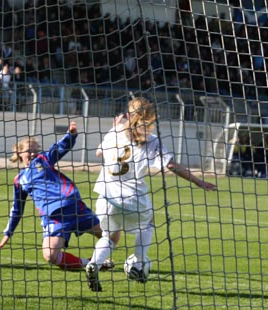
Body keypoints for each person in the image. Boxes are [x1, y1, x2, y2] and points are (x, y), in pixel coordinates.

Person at [85, 97, 217, 292]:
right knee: (148, 223)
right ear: (150, 117)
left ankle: (94, 264)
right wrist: (199, 181)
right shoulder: (151, 140)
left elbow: (98, 153)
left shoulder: (115, 132)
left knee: (109, 236)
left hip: (105, 196)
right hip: (132, 197)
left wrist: (113, 129)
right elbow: (171, 165)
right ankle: (138, 263)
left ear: (128, 114)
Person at [0, 121, 112, 271]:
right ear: (19, 153)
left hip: (74, 207)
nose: (33, 154)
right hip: (54, 218)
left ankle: (136, 262)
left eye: (35, 151)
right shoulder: (19, 180)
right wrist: (7, 234)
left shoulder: (43, 160)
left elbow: (60, 148)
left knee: (109, 236)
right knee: (50, 255)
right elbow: (17, 210)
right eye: (29, 151)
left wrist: (71, 135)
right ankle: (90, 264)